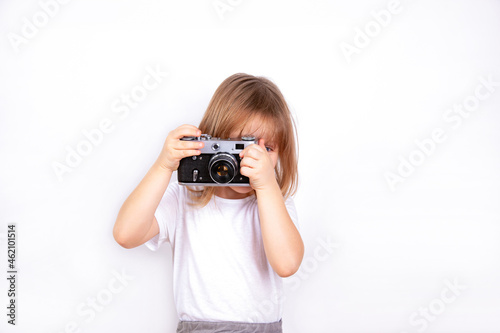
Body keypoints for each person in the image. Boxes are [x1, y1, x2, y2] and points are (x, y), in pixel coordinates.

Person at [113, 73, 304, 333]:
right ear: (214, 143)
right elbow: (126, 234)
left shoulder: (275, 203)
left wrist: (267, 187)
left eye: (267, 148)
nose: (254, 157)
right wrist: (163, 165)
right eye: (242, 146)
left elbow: (287, 264)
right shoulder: (184, 198)